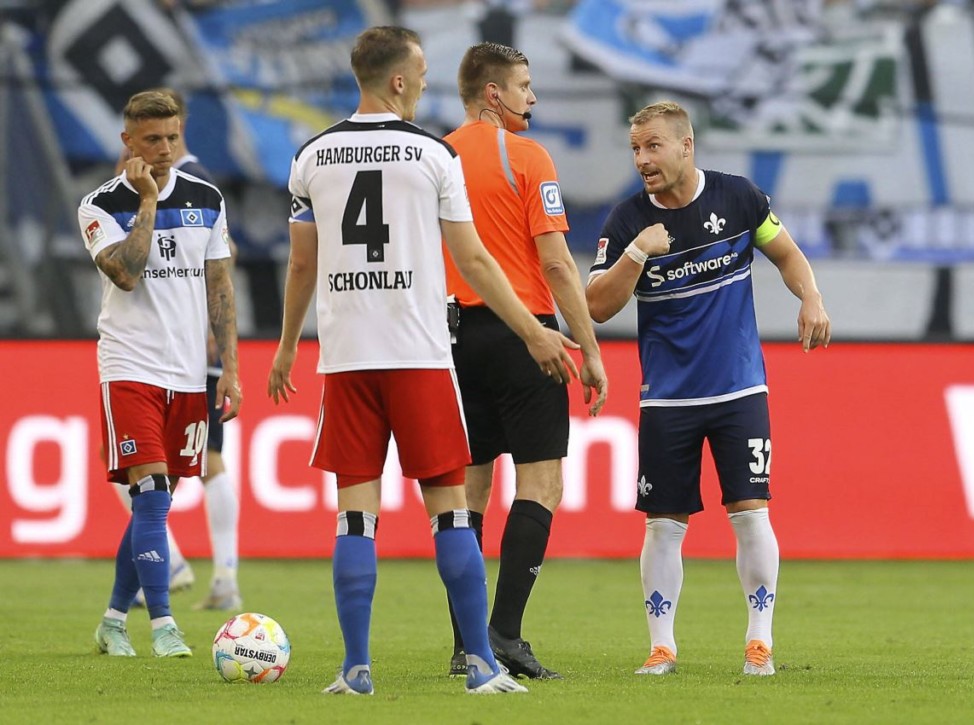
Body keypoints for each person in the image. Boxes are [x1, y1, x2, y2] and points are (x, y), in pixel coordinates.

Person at [267, 25, 579, 696]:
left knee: (355, 512)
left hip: (347, 356)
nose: (431, 83)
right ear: (400, 80)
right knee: (449, 509)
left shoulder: (312, 155)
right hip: (418, 353)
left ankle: (355, 670)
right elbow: (473, 259)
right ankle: (481, 666)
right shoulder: (433, 156)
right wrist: (532, 330)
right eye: (423, 73)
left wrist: (289, 345)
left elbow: (301, 261)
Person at [585, 101, 831, 677]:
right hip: (667, 397)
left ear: (686, 146)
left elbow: (787, 253)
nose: (642, 159)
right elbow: (596, 305)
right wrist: (639, 251)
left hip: (739, 390)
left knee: (750, 513)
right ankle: (662, 646)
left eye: (653, 147)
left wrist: (811, 296)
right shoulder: (626, 221)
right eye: (635, 149)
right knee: (664, 524)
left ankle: (760, 641)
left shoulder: (739, 197)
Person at [441, 42, 608, 680]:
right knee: (541, 484)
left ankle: (465, 644)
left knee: (468, 490)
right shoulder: (529, 157)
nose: (532, 98)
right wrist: (587, 347)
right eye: (525, 86)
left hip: (453, 338)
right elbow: (558, 263)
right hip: (526, 338)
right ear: (494, 94)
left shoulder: (439, 156)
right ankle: (505, 635)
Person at [79, 90, 242, 658]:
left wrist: (230, 370)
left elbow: (220, 286)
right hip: (128, 366)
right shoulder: (98, 205)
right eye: (152, 139)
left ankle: (113, 619)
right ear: (128, 142)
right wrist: (147, 201)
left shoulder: (208, 198)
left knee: (158, 500)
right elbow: (126, 273)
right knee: (150, 496)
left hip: (187, 374)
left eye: (173, 136)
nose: (166, 148)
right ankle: (165, 626)